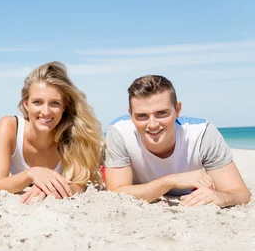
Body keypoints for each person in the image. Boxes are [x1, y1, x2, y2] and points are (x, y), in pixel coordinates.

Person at [105, 74, 251, 207]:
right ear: (130, 115)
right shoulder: (120, 131)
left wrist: (221, 197)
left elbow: (241, 193)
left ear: (177, 109)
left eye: (161, 113)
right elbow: (117, 192)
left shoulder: (201, 133)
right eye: (142, 116)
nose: (153, 124)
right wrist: (171, 180)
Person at [0, 61, 103, 203]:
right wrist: (31, 173)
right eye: (37, 102)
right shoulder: (10, 126)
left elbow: (78, 186)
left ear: (64, 107)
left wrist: (51, 189)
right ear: (26, 104)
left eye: (54, 103)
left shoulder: (74, 133)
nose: (45, 111)